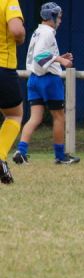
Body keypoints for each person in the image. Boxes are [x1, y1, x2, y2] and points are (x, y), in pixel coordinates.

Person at [13, 2, 78, 166]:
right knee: (59, 117)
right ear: (51, 17)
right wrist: (60, 60)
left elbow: (39, 55)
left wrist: (57, 57)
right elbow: (40, 57)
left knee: (34, 117)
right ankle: (60, 156)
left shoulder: (37, 32)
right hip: (49, 80)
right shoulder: (48, 32)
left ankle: (21, 151)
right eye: (59, 17)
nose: (60, 21)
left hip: (34, 79)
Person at [0, 0, 25, 183]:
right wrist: (22, 35)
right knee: (14, 115)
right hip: (3, 66)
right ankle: (0, 155)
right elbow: (16, 30)